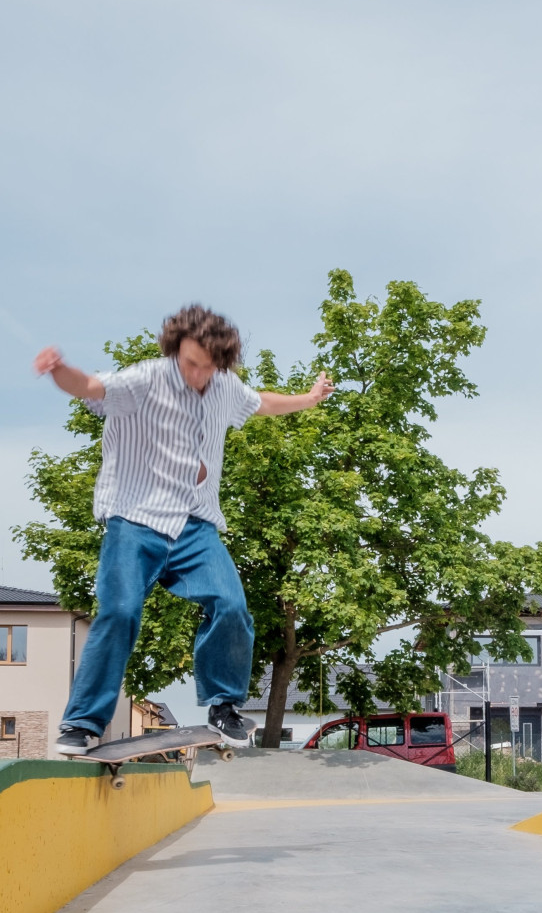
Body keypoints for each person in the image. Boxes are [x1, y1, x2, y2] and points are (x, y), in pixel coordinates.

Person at [34, 305, 333, 754]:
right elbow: (91, 387)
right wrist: (60, 370)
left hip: (195, 525)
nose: (198, 375)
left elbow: (261, 402)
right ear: (176, 350)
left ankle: (223, 705)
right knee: (119, 612)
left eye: (208, 368)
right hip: (135, 518)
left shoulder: (225, 386)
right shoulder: (145, 379)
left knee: (232, 606)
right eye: (191, 364)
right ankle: (82, 723)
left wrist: (308, 400)